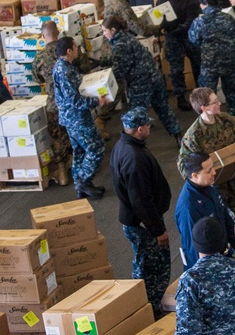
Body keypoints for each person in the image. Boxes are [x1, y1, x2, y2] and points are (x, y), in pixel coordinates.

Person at [109, 107, 172, 316]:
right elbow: (141, 200)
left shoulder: (123, 145)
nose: (149, 128)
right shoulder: (134, 158)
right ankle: (150, 309)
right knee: (151, 268)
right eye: (147, 125)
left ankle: (146, 305)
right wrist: (157, 230)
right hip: (143, 224)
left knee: (144, 263)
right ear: (138, 129)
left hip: (138, 220)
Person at [102, 14, 182, 140]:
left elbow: (119, 71)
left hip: (140, 84)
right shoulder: (129, 37)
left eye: (105, 31)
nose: (104, 34)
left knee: (134, 117)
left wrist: (103, 82)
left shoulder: (119, 45)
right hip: (155, 77)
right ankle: (177, 134)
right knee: (163, 109)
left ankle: (134, 146)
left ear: (113, 30)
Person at [178, 88, 235, 209]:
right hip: (215, 187)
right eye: (215, 102)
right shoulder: (193, 136)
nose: (220, 103)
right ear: (204, 108)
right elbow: (184, 165)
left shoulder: (226, 120)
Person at [52, 37, 109, 201]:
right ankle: (83, 181)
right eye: (75, 47)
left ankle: (81, 184)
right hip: (77, 118)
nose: (78, 49)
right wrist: (96, 101)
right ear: (69, 51)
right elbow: (74, 100)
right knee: (96, 147)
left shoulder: (65, 67)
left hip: (73, 118)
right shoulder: (64, 71)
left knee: (79, 151)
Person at [33, 20, 85, 187]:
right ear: (58, 33)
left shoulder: (39, 57)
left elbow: (36, 78)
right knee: (76, 133)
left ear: (43, 36)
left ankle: (62, 172)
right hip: (72, 101)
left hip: (53, 104)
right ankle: (82, 166)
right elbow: (84, 67)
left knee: (57, 137)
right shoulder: (67, 50)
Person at [188, 0, 235, 121]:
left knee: (205, 95)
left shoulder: (199, 21)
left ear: (205, 4)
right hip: (230, 62)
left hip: (210, 65)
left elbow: (193, 40)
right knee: (233, 92)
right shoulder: (229, 18)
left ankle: (208, 121)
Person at [174, 153, 235, 267]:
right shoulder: (188, 207)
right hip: (207, 266)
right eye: (209, 171)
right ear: (195, 175)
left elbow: (224, 216)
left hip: (221, 252)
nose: (214, 172)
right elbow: (193, 247)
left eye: (212, 167)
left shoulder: (209, 186)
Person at [156, 0, 200, 111]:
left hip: (188, 36)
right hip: (172, 38)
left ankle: (201, 96)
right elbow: (157, 15)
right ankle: (180, 98)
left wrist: (179, 29)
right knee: (176, 69)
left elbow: (191, 20)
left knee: (197, 65)